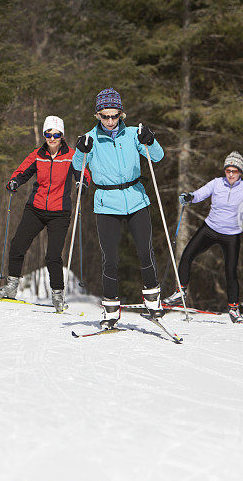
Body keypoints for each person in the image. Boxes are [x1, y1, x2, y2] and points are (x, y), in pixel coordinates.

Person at [72, 88, 164, 329]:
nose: (110, 121)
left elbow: (157, 157)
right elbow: (77, 166)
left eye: (115, 116)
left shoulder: (134, 134)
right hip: (106, 202)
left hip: (135, 198)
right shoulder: (90, 138)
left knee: (145, 250)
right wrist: (80, 149)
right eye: (105, 116)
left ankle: (153, 300)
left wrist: (150, 140)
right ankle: (111, 309)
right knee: (110, 258)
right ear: (98, 116)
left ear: (121, 115)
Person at [0, 116, 90, 312]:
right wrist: (14, 182)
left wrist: (82, 184)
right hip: (35, 209)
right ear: (44, 135)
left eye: (56, 134)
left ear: (62, 135)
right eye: (48, 134)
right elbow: (22, 172)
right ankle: (11, 287)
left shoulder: (72, 155)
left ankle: (58, 296)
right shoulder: (38, 155)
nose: (52, 138)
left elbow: (83, 173)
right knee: (17, 245)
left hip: (59, 213)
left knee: (52, 256)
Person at [163, 151, 243, 323]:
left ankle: (234, 309)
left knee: (230, 272)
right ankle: (180, 291)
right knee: (187, 255)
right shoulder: (217, 183)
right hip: (210, 228)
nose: (231, 174)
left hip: (231, 235)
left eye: (234, 171)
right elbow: (199, 194)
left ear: (240, 172)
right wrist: (189, 197)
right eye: (228, 171)